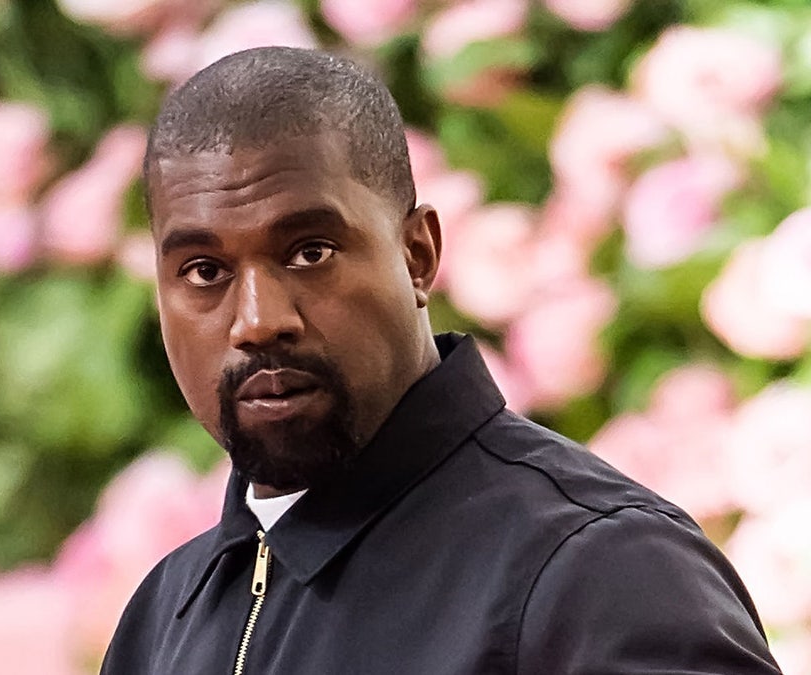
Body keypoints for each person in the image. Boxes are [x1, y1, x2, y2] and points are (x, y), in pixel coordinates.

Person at [101, 46, 781, 674]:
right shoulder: (165, 614)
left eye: (310, 251)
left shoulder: (599, 572)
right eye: (203, 270)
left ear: (418, 253)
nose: (258, 319)